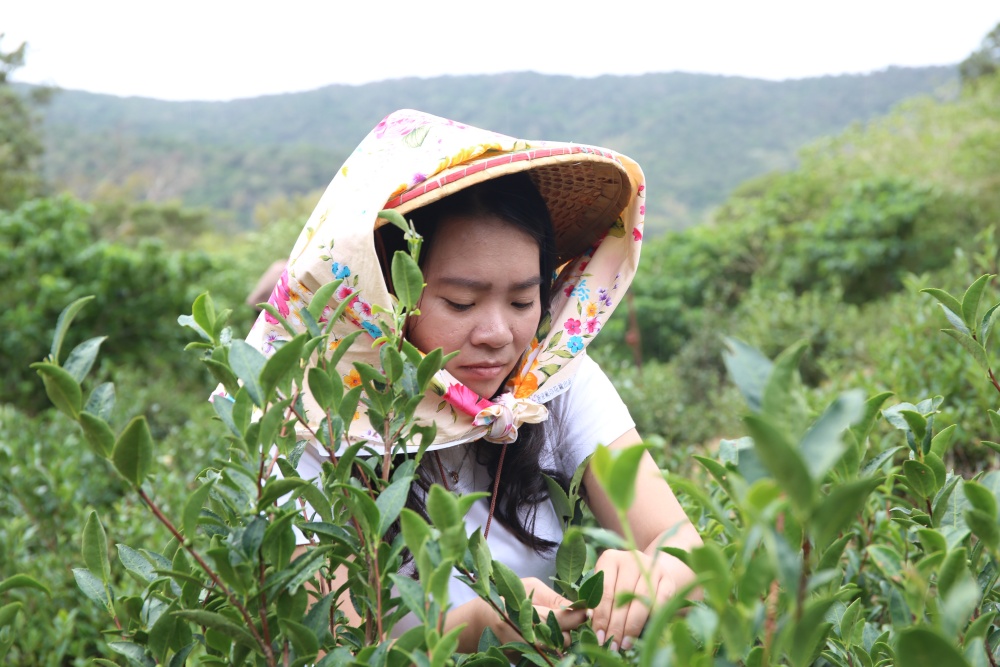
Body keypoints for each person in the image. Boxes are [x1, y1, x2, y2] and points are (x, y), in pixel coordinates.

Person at [241, 109, 702, 653]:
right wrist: (474, 628)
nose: (497, 334)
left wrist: (650, 573)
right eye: (460, 302)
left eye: (522, 300)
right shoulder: (309, 418)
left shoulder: (552, 382)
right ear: (388, 295)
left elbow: (682, 548)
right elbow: (332, 648)